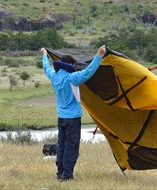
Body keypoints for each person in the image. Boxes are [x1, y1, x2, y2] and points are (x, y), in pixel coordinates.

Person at [41, 45, 107, 181]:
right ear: (70, 65)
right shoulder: (73, 78)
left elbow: (46, 67)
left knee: (62, 146)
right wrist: (99, 54)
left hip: (61, 118)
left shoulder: (54, 76)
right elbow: (89, 71)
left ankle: (60, 173)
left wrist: (44, 55)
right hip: (73, 118)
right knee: (71, 146)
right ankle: (67, 175)